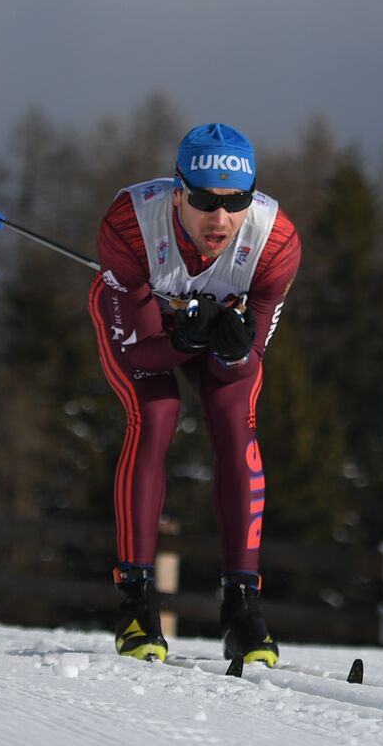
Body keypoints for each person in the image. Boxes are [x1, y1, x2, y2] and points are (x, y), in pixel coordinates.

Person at [87, 123, 301, 666]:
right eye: (204, 201)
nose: (220, 219)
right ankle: (135, 600)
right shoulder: (131, 225)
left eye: (236, 203)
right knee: (156, 414)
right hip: (149, 329)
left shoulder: (275, 244)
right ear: (177, 192)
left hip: (206, 326)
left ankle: (242, 606)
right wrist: (184, 335)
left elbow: (239, 372)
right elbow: (141, 356)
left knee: (236, 425)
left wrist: (231, 350)